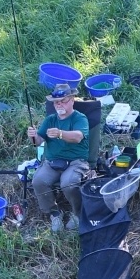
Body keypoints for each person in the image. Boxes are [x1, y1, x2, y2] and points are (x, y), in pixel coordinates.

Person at [29, 84, 91, 232]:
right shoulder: (50, 120)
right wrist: (33, 136)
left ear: (71, 100)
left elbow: (78, 137)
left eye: (63, 101)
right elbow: (38, 142)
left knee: (68, 183)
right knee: (38, 181)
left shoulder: (80, 118)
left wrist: (60, 134)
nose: (59, 104)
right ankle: (54, 213)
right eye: (56, 102)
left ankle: (77, 214)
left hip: (76, 162)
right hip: (52, 162)